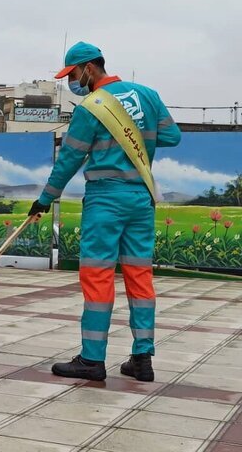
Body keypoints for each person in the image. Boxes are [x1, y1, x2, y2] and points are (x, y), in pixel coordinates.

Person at [28, 41, 181, 381]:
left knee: (98, 277)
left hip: (105, 201)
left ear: (89, 69)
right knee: (140, 276)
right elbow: (173, 137)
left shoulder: (90, 108)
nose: (73, 81)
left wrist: (44, 199)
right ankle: (142, 360)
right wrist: (143, 135)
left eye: (73, 74)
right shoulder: (148, 94)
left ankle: (92, 360)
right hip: (141, 199)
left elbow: (68, 160)